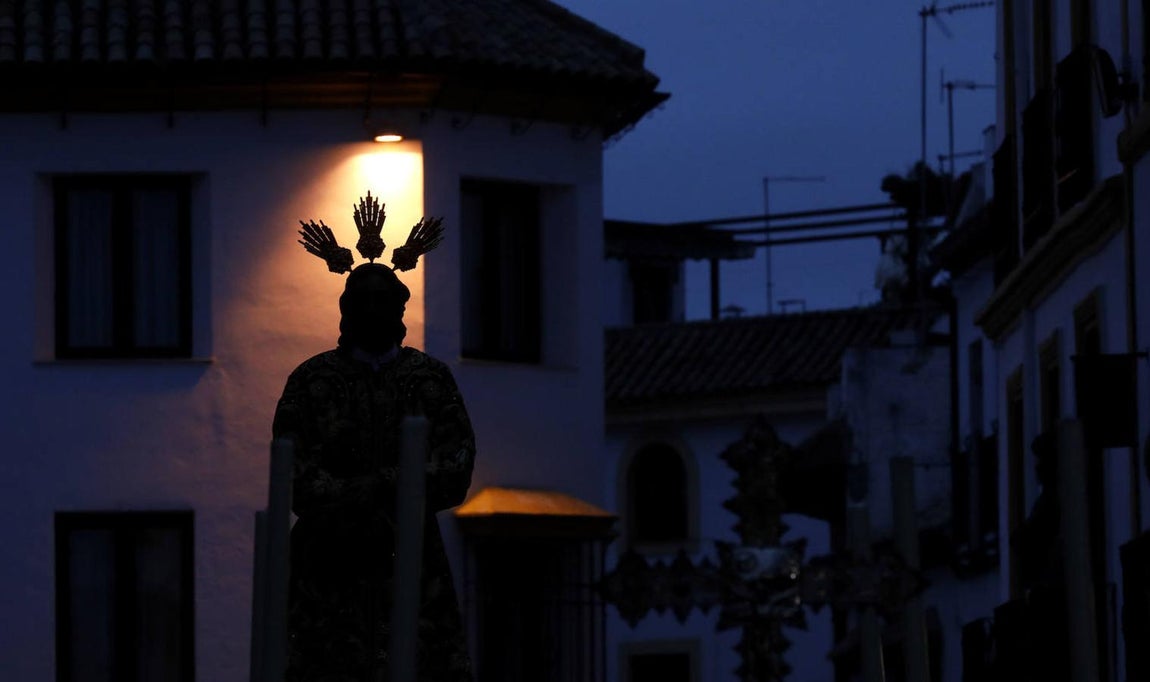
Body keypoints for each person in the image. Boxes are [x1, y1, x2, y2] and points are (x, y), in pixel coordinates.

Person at [274, 208, 475, 681]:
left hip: (411, 560)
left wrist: (390, 483)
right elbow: (290, 468)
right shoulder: (311, 380)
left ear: (400, 310)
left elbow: (455, 462)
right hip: (329, 566)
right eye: (361, 302)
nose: (372, 312)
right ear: (345, 311)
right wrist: (349, 496)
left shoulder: (430, 378)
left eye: (383, 302)